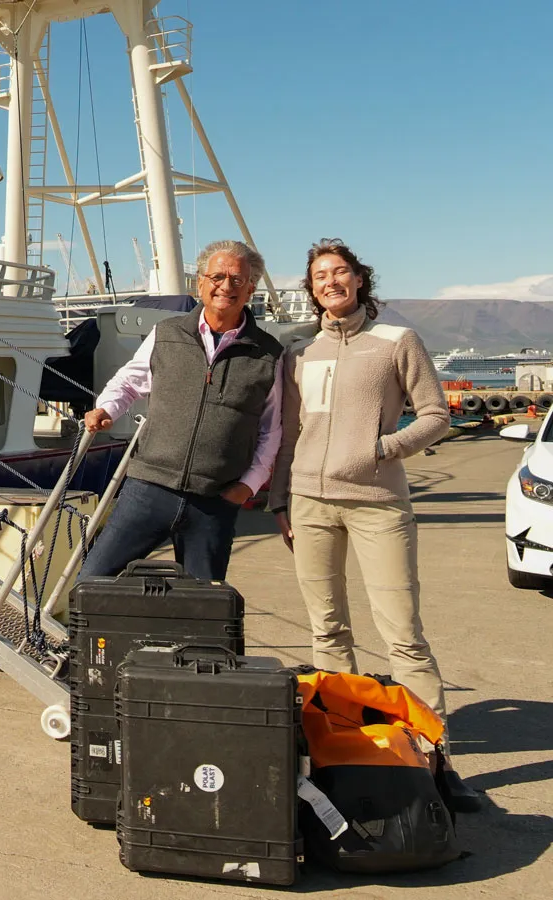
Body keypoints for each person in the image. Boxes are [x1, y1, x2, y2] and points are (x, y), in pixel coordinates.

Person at [269, 238, 478, 810]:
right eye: (319, 276)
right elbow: (289, 433)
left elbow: (435, 415)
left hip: (377, 503)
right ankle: (350, 754)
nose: (330, 282)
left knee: (402, 634)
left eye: (340, 273)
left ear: (360, 280)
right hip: (310, 504)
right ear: (311, 289)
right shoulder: (300, 354)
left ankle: (435, 762)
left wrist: (382, 447)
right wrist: (282, 501)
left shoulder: (396, 342)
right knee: (327, 631)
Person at [77, 239, 284, 582]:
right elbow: (128, 383)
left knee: (204, 608)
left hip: (214, 500)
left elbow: (270, 430)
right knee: (92, 582)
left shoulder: (269, 355)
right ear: (200, 282)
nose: (226, 286)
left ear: (251, 289)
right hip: (147, 489)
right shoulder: (166, 334)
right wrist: (106, 408)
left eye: (237, 280)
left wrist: (247, 487)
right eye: (217, 277)